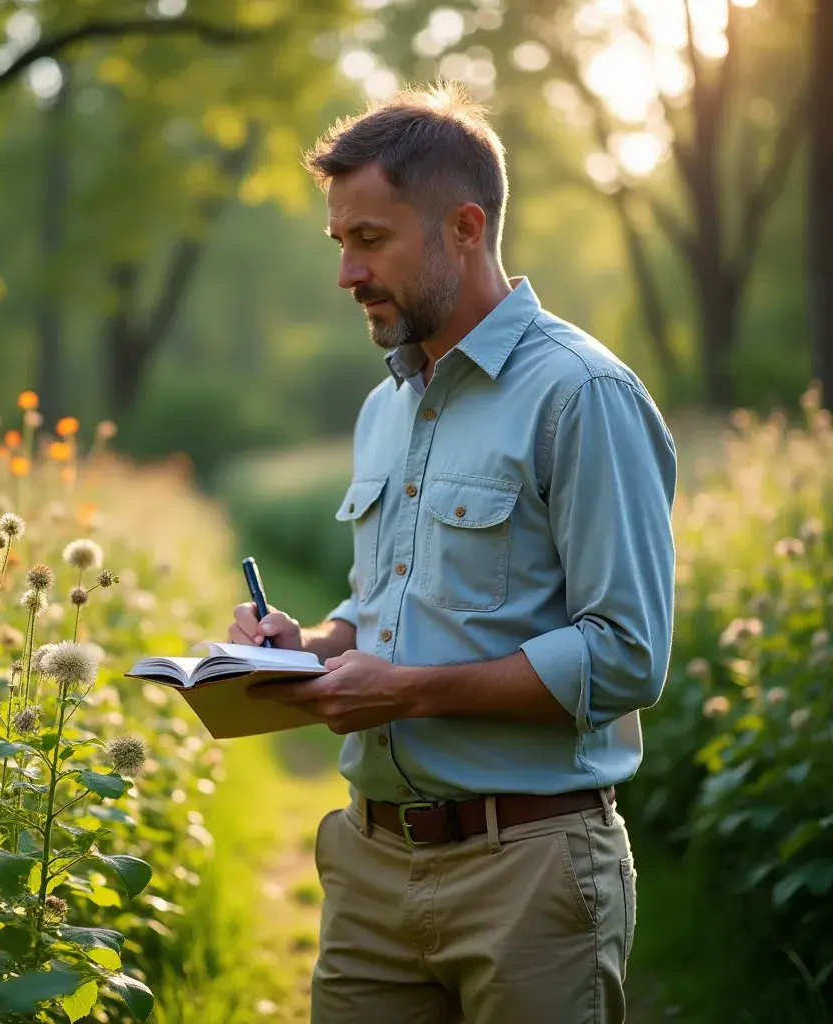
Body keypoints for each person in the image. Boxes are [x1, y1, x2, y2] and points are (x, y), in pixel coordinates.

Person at [227, 82, 677, 1024]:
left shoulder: (582, 395)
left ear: (464, 227)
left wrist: (412, 690)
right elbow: (381, 610)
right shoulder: (383, 407)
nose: (347, 273)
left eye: (371, 239)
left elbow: (628, 653)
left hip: (532, 876)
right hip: (367, 870)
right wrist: (302, 647)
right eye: (340, 242)